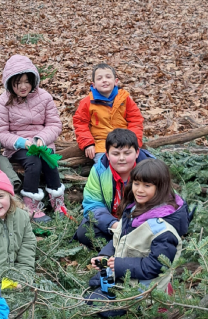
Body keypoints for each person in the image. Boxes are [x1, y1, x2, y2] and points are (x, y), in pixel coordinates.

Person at [90, 159, 189, 292]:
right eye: (136, 184)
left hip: (144, 290)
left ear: (161, 188)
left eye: (147, 186)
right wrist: (106, 256)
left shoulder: (163, 229)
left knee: (99, 306)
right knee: (93, 292)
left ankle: (165, 295)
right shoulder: (133, 208)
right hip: (125, 275)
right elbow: (120, 238)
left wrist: (119, 265)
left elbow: (157, 266)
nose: (139, 190)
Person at [0, 55, 64, 223]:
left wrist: (41, 138)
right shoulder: (3, 102)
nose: (23, 87)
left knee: (48, 159)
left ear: (33, 80)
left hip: (41, 142)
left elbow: (54, 124)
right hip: (18, 147)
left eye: (27, 81)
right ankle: (31, 204)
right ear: (10, 83)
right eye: (18, 83)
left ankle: (58, 200)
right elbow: (0, 132)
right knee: (33, 161)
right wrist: (20, 142)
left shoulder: (44, 97)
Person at [75, 128, 153, 250]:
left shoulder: (152, 169)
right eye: (116, 154)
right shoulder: (98, 171)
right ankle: (125, 246)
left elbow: (164, 202)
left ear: (137, 153)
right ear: (107, 155)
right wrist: (113, 224)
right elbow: (92, 204)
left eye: (127, 153)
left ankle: (124, 246)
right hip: (112, 222)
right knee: (84, 232)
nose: (121, 158)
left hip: (142, 222)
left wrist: (135, 225)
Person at [73, 63, 144, 165]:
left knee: (140, 164)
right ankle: (107, 180)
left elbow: (136, 120)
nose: (104, 80)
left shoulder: (125, 99)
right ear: (93, 84)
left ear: (115, 81)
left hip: (125, 141)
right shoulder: (87, 102)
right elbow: (80, 124)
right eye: (99, 78)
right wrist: (88, 144)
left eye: (108, 77)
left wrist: (134, 140)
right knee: (103, 166)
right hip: (102, 143)